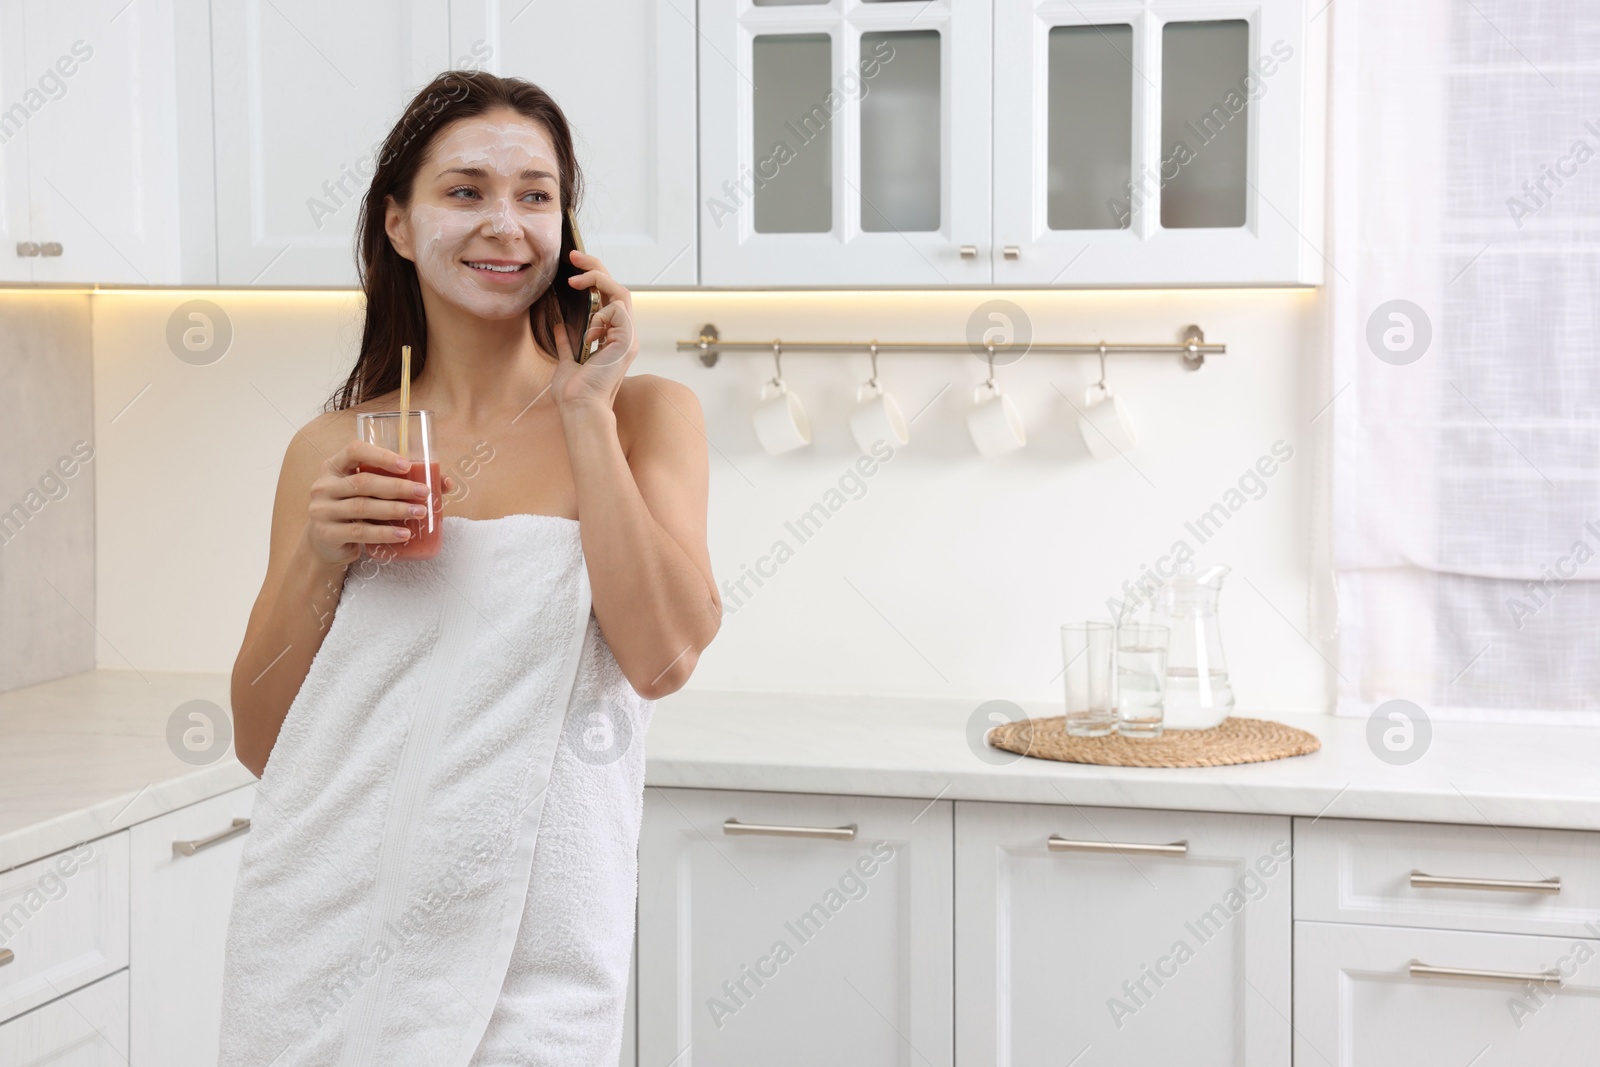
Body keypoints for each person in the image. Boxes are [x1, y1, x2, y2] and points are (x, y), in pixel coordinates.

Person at [217, 70, 720, 1066]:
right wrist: (320, 560)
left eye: (536, 194)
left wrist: (583, 411)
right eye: (465, 192)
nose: (507, 223)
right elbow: (265, 738)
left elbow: (661, 656)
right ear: (398, 225)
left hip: (532, 939)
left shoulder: (642, 414)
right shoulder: (338, 447)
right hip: (328, 932)